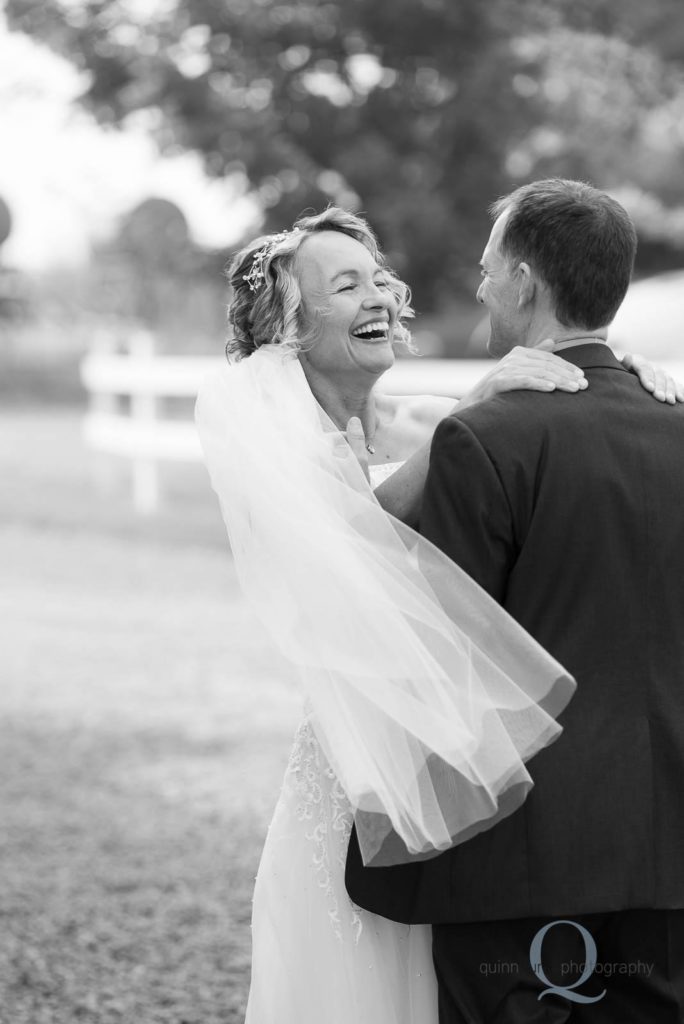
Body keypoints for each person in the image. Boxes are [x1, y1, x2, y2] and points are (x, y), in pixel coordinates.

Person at [195, 206, 677, 1024]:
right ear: (290, 325)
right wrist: (476, 404)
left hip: (470, 782)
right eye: (345, 284)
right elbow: (346, 554)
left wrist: (617, 371)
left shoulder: (429, 418)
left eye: (377, 275)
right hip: (370, 767)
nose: (380, 292)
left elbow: (532, 431)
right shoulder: (274, 446)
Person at [345, 180, 684, 1023]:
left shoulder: (485, 437)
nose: (481, 285)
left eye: (492, 268)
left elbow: (449, 650)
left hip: (523, 855)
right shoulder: (676, 418)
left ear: (527, 282)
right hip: (669, 847)